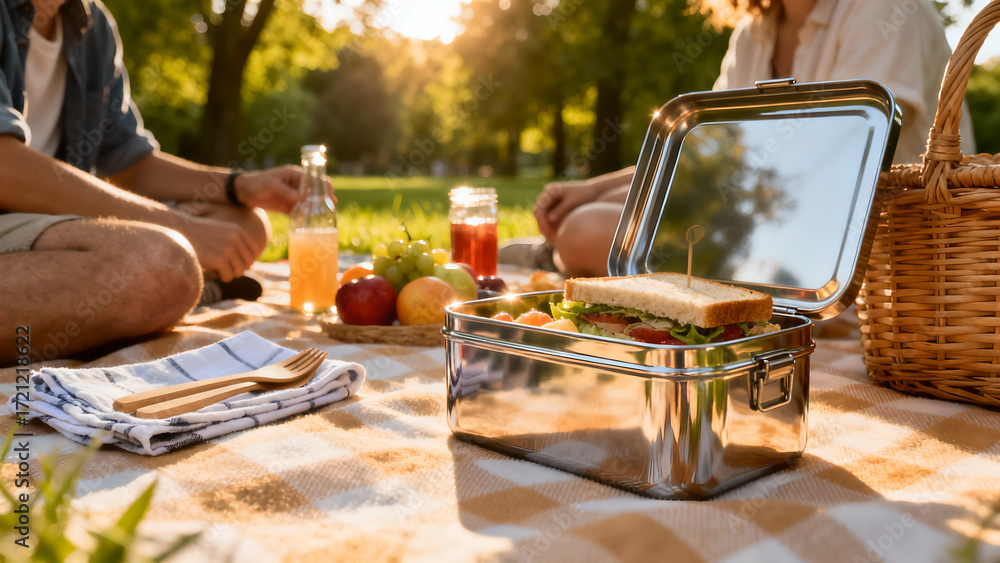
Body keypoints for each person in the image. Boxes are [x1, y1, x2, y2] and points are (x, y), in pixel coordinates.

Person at [505, 0, 976, 278]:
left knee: (585, 232)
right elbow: (701, 150)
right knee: (585, 220)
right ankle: (559, 255)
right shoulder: (755, 32)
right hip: (763, 226)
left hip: (868, 253)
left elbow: (840, 159)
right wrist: (592, 188)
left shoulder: (888, 11)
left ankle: (557, 257)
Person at [0, 0, 320, 364]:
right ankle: (162, 298)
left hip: (46, 226)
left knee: (244, 222)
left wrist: (238, 186)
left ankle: (138, 304)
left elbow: (128, 162)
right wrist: (178, 228)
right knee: (164, 264)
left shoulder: (92, 24)